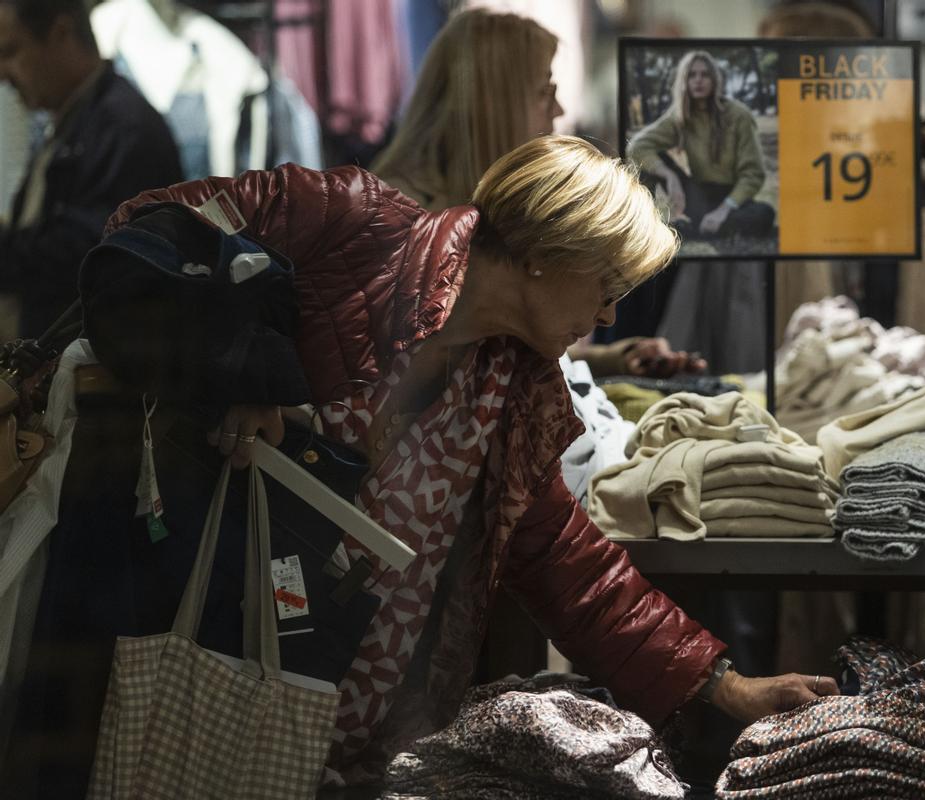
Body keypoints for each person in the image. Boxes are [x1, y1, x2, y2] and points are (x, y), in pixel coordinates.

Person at [92, 134, 839, 781]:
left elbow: (566, 562)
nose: (610, 315)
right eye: (608, 287)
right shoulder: (354, 223)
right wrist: (238, 374)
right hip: (221, 675)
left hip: (364, 736)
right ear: (549, 256)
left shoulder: (508, 384)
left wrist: (726, 685)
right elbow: (145, 234)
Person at [372, 7, 701, 378]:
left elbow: (492, 356)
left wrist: (611, 360)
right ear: (494, 102)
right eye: (545, 92)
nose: (559, 109)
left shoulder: (461, 216)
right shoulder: (404, 224)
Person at [0, 0, 182, 338]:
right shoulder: (74, 122)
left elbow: (88, 252)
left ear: (61, 33)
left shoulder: (122, 126)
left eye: (11, 51)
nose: (3, 74)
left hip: (96, 369)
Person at [627, 50, 774, 241]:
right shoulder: (680, 115)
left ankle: (693, 229)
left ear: (714, 79)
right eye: (692, 75)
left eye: (705, 75)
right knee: (648, 164)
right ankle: (645, 227)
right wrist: (670, 175)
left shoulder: (739, 115)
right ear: (684, 81)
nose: (698, 80)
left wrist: (722, 211)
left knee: (764, 213)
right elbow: (637, 146)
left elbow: (753, 174)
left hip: (730, 197)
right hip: (698, 194)